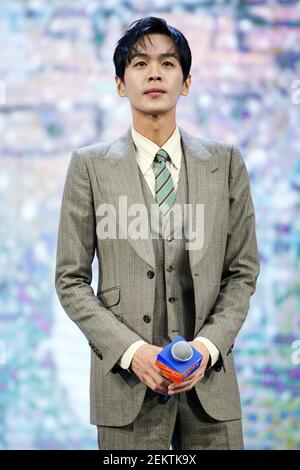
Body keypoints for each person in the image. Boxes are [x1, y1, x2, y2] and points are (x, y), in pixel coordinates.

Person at [55, 16, 260, 450]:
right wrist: (133, 353)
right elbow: (70, 280)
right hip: (126, 391)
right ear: (119, 83)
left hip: (212, 395)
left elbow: (241, 273)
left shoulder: (224, 163)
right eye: (139, 63)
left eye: (167, 64)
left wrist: (207, 347)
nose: (153, 73)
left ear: (186, 82)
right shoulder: (89, 166)